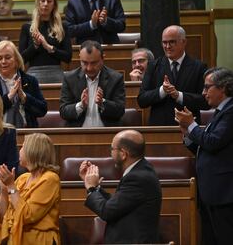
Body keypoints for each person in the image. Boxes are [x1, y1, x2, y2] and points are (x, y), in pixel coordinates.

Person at [175, 67, 233, 245]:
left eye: (207, 87)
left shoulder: (231, 111)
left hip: (224, 194)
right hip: (212, 192)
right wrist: (187, 134)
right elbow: (206, 148)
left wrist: (192, 125)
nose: (203, 93)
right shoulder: (220, 112)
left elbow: (213, 142)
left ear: (222, 88)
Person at [80, 130, 162, 243]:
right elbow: (118, 205)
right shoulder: (141, 170)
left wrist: (91, 188)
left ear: (123, 154)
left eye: (112, 149)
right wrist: (97, 188)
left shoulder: (137, 178)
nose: (111, 153)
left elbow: (107, 212)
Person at [0, 133, 61, 245]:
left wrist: (10, 186)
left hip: (39, 240)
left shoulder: (50, 179)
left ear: (33, 151)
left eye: (23, 147)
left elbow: (27, 216)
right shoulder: (23, 179)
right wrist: (4, 190)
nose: (20, 150)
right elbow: (2, 215)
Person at [138, 25, 209, 125]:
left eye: (172, 42)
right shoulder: (153, 66)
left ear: (184, 42)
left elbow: (206, 102)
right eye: (164, 42)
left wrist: (179, 95)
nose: (167, 46)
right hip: (160, 129)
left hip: (189, 128)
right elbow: (142, 100)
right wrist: (162, 90)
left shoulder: (199, 67)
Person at [59, 40, 125, 127]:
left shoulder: (116, 78)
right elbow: (64, 112)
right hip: (77, 135)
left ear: (103, 58)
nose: (89, 68)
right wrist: (81, 105)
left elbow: (120, 111)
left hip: (107, 134)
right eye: (85, 63)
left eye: (94, 63)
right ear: (79, 58)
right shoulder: (70, 78)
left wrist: (103, 103)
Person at [0, 40, 47, 127]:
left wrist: (24, 97)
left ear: (17, 60)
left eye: (8, 57)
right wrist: (9, 97)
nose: (3, 61)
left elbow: (42, 110)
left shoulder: (30, 81)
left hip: (27, 132)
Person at [19, 0, 72, 83]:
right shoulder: (27, 27)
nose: (45, 4)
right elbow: (21, 59)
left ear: (54, 4)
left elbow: (68, 57)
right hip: (34, 73)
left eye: (49, 1)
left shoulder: (62, 27)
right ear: (38, 2)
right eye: (42, 0)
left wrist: (49, 47)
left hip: (56, 72)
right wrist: (35, 46)